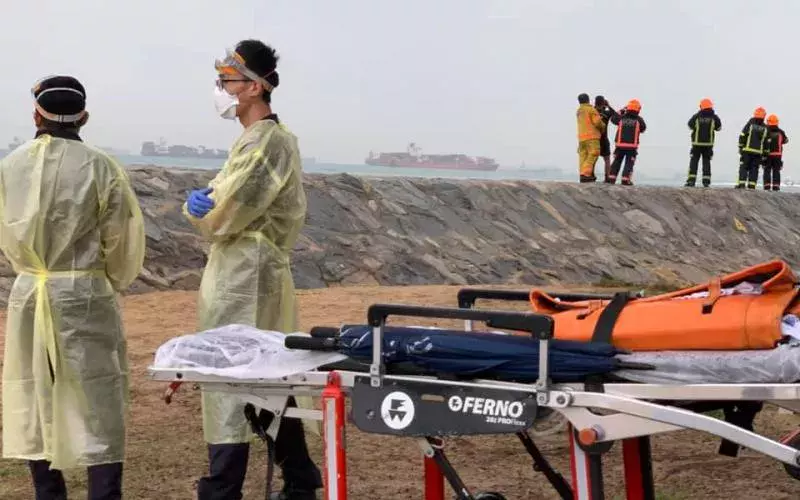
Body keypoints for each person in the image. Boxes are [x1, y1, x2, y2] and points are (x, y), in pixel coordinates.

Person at [184, 40, 322, 500]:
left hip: (247, 271)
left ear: (255, 87)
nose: (221, 88)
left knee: (232, 378)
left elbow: (231, 208)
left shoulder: (269, 141)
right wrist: (205, 206)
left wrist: (203, 212)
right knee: (262, 376)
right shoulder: (252, 139)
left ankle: (222, 487)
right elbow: (223, 197)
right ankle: (300, 478)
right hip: (237, 266)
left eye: (228, 80)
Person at [0, 75, 145, 499]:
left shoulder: (11, 166)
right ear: (83, 117)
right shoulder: (102, 167)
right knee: (98, 396)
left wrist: (32, 267)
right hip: (85, 294)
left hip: (31, 291)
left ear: (35, 115)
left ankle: (49, 491)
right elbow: (123, 240)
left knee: (36, 393)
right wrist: (107, 279)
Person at [606, 99, 647, 185]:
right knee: (629, 163)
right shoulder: (639, 120)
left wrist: (622, 110)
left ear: (628, 108)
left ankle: (611, 179)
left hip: (619, 146)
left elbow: (613, 118)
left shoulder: (621, 118)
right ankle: (625, 180)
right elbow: (643, 129)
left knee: (616, 161)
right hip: (632, 147)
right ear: (638, 109)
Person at [685, 98, 722, 187]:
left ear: (701, 106)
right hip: (708, 145)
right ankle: (706, 182)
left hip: (696, 144)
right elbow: (719, 128)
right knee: (706, 162)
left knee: (694, 161)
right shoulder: (714, 117)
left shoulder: (697, 116)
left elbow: (689, 126)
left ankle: (691, 181)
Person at [737, 107, 771, 189]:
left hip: (746, 151)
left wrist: (740, 146)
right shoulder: (766, 128)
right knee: (754, 169)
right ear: (764, 116)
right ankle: (752, 185)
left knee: (744, 167)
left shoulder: (750, 124)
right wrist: (765, 154)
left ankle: (741, 184)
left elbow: (743, 135)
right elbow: (767, 142)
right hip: (758, 153)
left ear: (755, 114)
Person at [576, 93, 606, 183]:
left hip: (581, 138)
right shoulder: (591, 110)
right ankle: (586, 174)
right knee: (594, 153)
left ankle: (582, 174)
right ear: (588, 100)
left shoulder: (579, 111)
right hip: (592, 136)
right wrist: (603, 126)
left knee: (583, 156)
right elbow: (597, 122)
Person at [595, 95, 620, 182]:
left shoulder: (592, 112)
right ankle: (607, 177)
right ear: (603, 103)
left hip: (593, 138)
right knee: (607, 159)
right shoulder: (606, 113)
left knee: (592, 157)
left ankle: (590, 176)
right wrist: (608, 106)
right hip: (604, 138)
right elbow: (615, 115)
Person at [763, 114, 788, 191]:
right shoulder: (781, 132)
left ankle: (767, 186)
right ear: (777, 122)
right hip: (778, 154)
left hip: (767, 154)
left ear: (768, 122)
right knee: (776, 170)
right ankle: (776, 186)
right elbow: (786, 140)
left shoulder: (766, 131)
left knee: (767, 170)